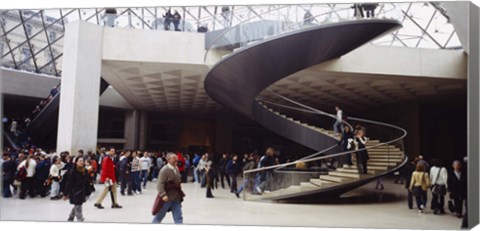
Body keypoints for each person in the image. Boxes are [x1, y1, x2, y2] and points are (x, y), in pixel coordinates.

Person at [152, 153, 184, 224]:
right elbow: (160, 184)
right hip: (167, 199)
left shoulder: (176, 168)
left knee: (179, 218)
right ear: (168, 160)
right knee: (158, 217)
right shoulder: (164, 170)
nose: (176, 159)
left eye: (176, 158)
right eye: (174, 158)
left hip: (176, 198)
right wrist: (163, 195)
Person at [63, 157, 91, 222]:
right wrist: (65, 194)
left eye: (82, 161)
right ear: (76, 162)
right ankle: (80, 219)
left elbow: (87, 182)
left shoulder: (85, 171)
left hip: (83, 191)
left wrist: (88, 191)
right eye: (80, 161)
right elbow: (69, 183)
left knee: (77, 204)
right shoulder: (73, 172)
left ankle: (71, 217)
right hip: (75, 192)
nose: (82, 162)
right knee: (78, 205)